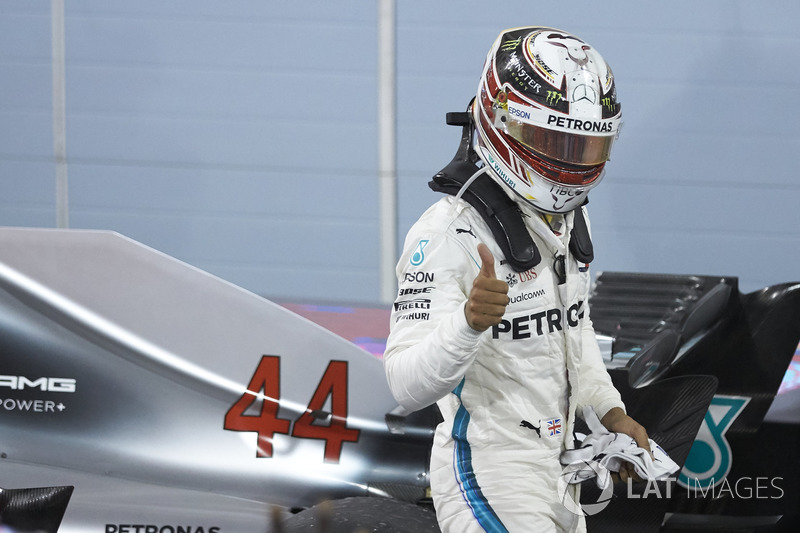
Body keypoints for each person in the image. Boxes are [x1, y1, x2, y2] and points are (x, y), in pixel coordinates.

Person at [383, 26, 650, 532]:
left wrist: (611, 413)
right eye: (553, 140)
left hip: (564, 470)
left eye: (585, 146)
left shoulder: (570, 219)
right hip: (488, 470)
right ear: (503, 121)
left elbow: (575, 333)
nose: (571, 162)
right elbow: (404, 383)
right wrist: (467, 324)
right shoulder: (446, 233)